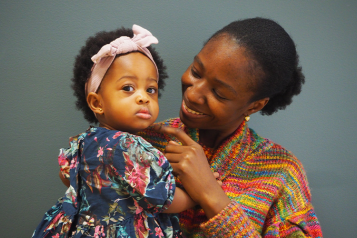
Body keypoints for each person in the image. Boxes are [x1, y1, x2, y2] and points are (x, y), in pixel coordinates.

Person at [139, 18, 323, 237]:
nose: (193, 94)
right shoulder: (141, 141)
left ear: (255, 105)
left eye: (219, 93)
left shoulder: (282, 174)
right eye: (196, 72)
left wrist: (212, 196)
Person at [32, 24, 195, 238]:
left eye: (151, 89)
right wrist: (195, 198)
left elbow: (67, 177)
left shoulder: (81, 142)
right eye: (128, 88)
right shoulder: (130, 146)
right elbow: (163, 200)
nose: (143, 97)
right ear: (96, 102)